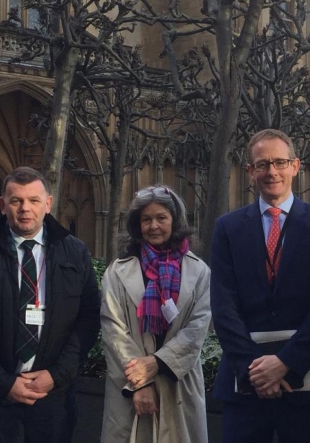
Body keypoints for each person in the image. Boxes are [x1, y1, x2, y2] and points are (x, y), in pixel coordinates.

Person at [210, 129, 310, 443]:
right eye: (262, 164)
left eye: (280, 162)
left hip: (304, 379)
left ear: (295, 166)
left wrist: (285, 363)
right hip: (244, 383)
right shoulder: (227, 228)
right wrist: (254, 371)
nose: (272, 172)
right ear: (250, 171)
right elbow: (223, 307)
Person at [0, 166, 100, 443]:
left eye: (33, 200)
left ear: (48, 204)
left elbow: (89, 320)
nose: (25, 209)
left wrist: (56, 375)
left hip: (53, 400)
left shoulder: (76, 252)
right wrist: (4, 384)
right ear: (2, 205)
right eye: (16, 200)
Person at [100, 185, 211, 443]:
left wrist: (158, 363)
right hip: (130, 387)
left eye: (161, 218)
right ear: (137, 225)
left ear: (174, 221)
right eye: (146, 219)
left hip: (179, 385)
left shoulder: (199, 271)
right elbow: (113, 330)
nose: (154, 226)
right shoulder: (117, 272)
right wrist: (140, 384)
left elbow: (197, 328)